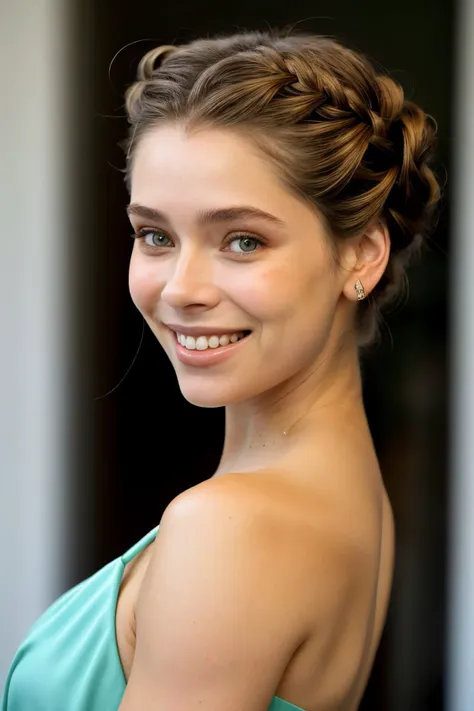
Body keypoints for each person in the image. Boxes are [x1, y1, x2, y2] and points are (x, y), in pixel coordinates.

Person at [1, 28, 440, 711]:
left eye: (242, 239)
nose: (181, 287)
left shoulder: (231, 529)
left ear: (360, 255)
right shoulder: (350, 499)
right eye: (155, 235)